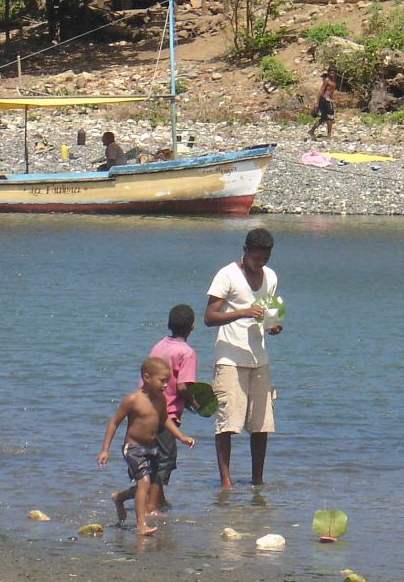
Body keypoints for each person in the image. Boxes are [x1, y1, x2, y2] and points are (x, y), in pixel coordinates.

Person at [204, 228, 282, 488]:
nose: (260, 263)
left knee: (262, 424)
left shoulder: (271, 277)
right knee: (227, 422)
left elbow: (269, 314)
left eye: (265, 258)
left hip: (259, 358)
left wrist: (273, 326)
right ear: (245, 251)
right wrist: (243, 312)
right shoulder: (227, 275)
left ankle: (257, 480)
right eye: (256, 257)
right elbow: (209, 317)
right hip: (229, 358)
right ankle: (226, 482)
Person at [111, 304, 198, 517]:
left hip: (145, 408)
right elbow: (183, 387)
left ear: (169, 324)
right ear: (192, 326)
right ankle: (152, 506)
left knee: (153, 458)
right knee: (165, 459)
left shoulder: (160, 344)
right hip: (166, 412)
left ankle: (156, 499)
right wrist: (194, 402)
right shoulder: (187, 352)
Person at [98, 357, 195, 535]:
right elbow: (114, 423)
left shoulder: (161, 399)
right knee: (144, 483)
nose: (165, 385)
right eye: (162, 381)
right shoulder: (132, 400)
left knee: (145, 487)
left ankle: (119, 498)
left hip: (152, 448)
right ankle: (141, 525)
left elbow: (165, 419)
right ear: (147, 377)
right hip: (133, 448)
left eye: (167, 382)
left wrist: (181, 437)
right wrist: (105, 450)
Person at [309, 66, 338, 141]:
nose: (331, 74)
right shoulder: (327, 80)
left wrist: (332, 99)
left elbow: (331, 92)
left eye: (333, 73)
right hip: (325, 100)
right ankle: (329, 136)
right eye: (330, 73)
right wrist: (317, 102)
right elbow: (321, 91)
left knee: (323, 118)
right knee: (330, 118)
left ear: (335, 73)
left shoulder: (334, 80)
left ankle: (312, 131)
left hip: (329, 100)